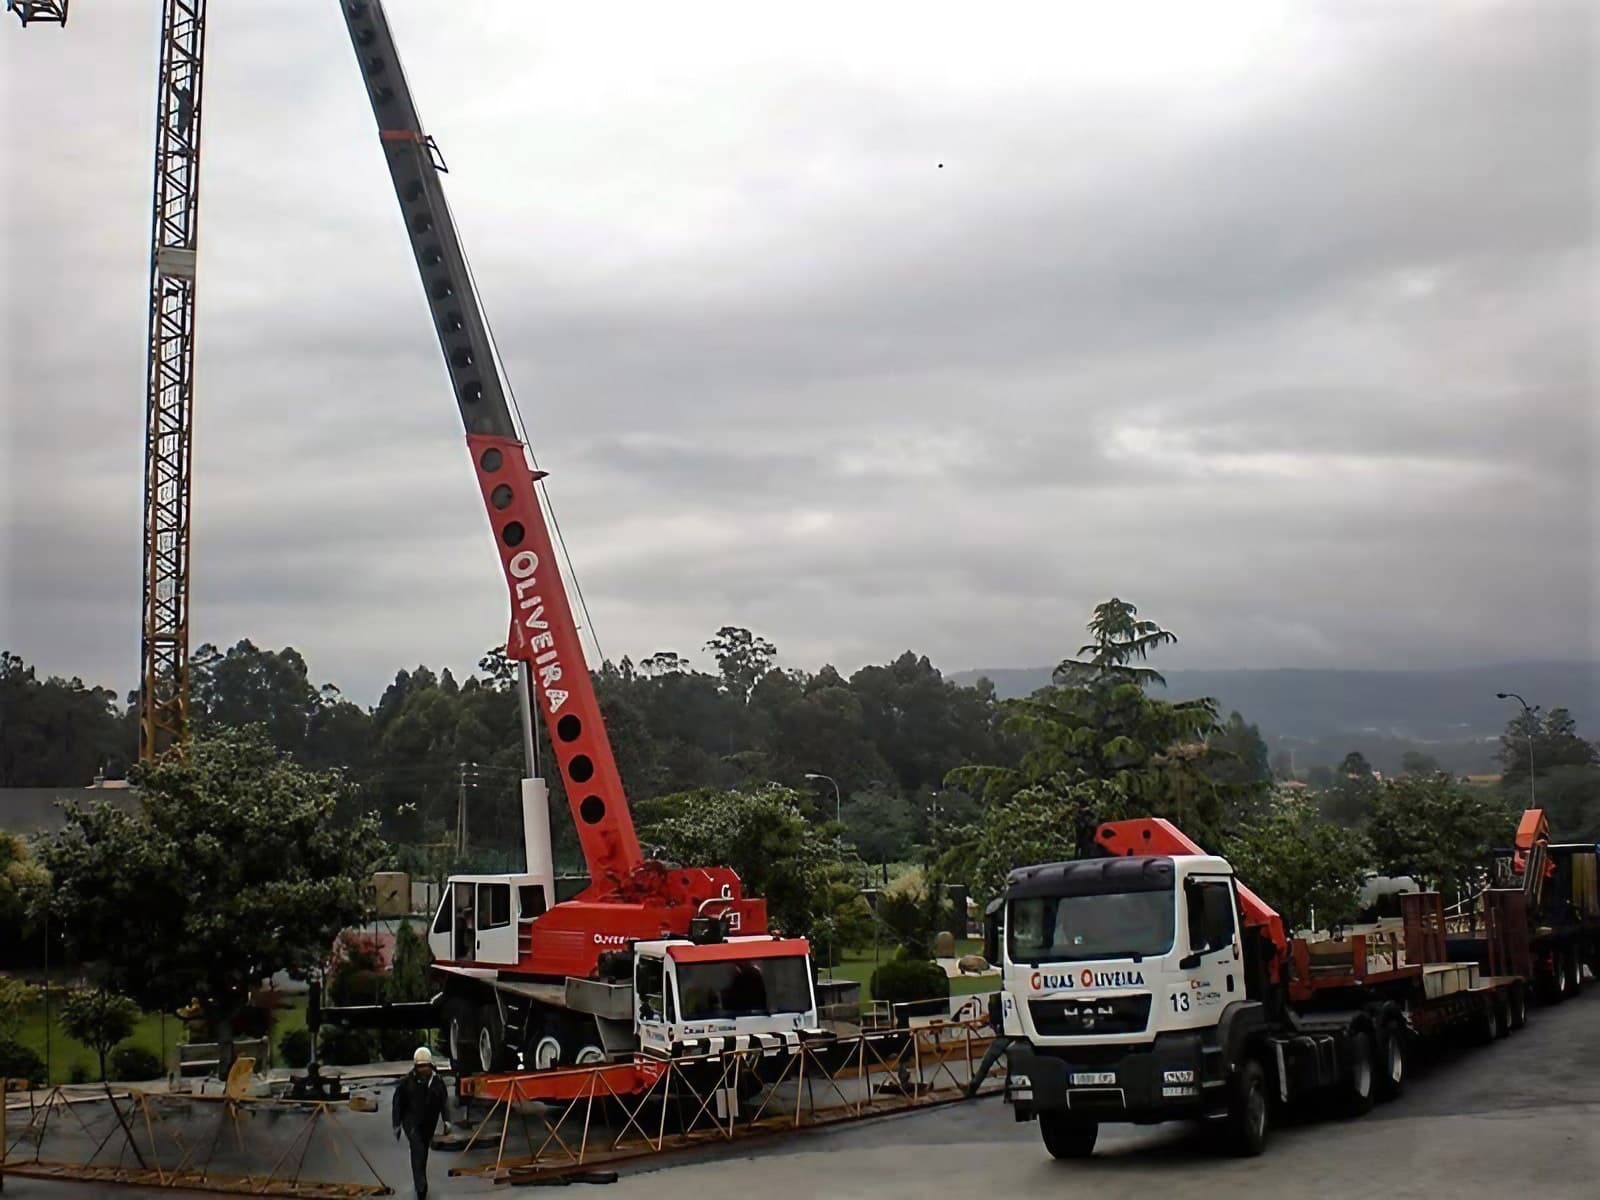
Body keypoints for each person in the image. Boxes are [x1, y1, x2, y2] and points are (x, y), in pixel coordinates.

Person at [392, 1046, 452, 1198]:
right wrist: (397, 1124)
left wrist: (447, 1121)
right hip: (411, 1122)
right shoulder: (407, 1082)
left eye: (425, 1066)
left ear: (430, 1065)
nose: (422, 1069)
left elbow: (444, 1102)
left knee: (423, 1151)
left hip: (429, 1123)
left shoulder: (437, 1082)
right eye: (419, 1066)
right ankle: (421, 1187)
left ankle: (420, 1180)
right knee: (417, 1148)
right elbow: (398, 1103)